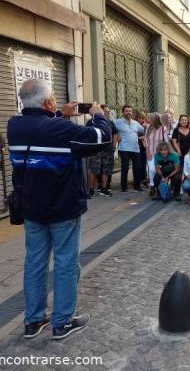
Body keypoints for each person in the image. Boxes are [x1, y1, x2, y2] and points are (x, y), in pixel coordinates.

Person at [8, 79, 111, 340]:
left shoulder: (14, 126)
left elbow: (40, 128)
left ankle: (33, 321)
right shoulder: (59, 130)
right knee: (65, 263)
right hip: (63, 208)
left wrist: (58, 114)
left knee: (34, 262)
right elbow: (101, 138)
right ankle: (62, 322)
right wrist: (98, 115)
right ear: (47, 102)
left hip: (32, 208)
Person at [86, 104, 117, 198]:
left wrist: (113, 147)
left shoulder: (110, 122)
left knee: (106, 170)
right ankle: (91, 190)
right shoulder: (91, 122)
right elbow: (87, 134)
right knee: (93, 170)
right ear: (101, 112)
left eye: (108, 111)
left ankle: (104, 189)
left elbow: (115, 135)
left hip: (108, 150)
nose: (108, 113)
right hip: (95, 150)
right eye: (106, 111)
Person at [115, 105, 145, 193]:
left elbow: (144, 130)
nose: (128, 112)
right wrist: (117, 134)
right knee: (125, 168)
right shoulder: (117, 122)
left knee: (138, 168)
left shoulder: (135, 123)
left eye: (130, 111)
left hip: (135, 149)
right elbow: (111, 129)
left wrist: (141, 137)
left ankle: (137, 186)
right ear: (123, 112)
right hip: (124, 148)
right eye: (126, 111)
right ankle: (124, 187)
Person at [144, 113, 169, 196]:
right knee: (151, 169)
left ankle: (158, 186)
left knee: (157, 170)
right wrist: (147, 151)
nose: (149, 120)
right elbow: (146, 140)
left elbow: (166, 141)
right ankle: (152, 186)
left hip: (160, 153)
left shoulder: (163, 129)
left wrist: (164, 153)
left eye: (150, 118)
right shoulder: (148, 127)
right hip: (150, 153)